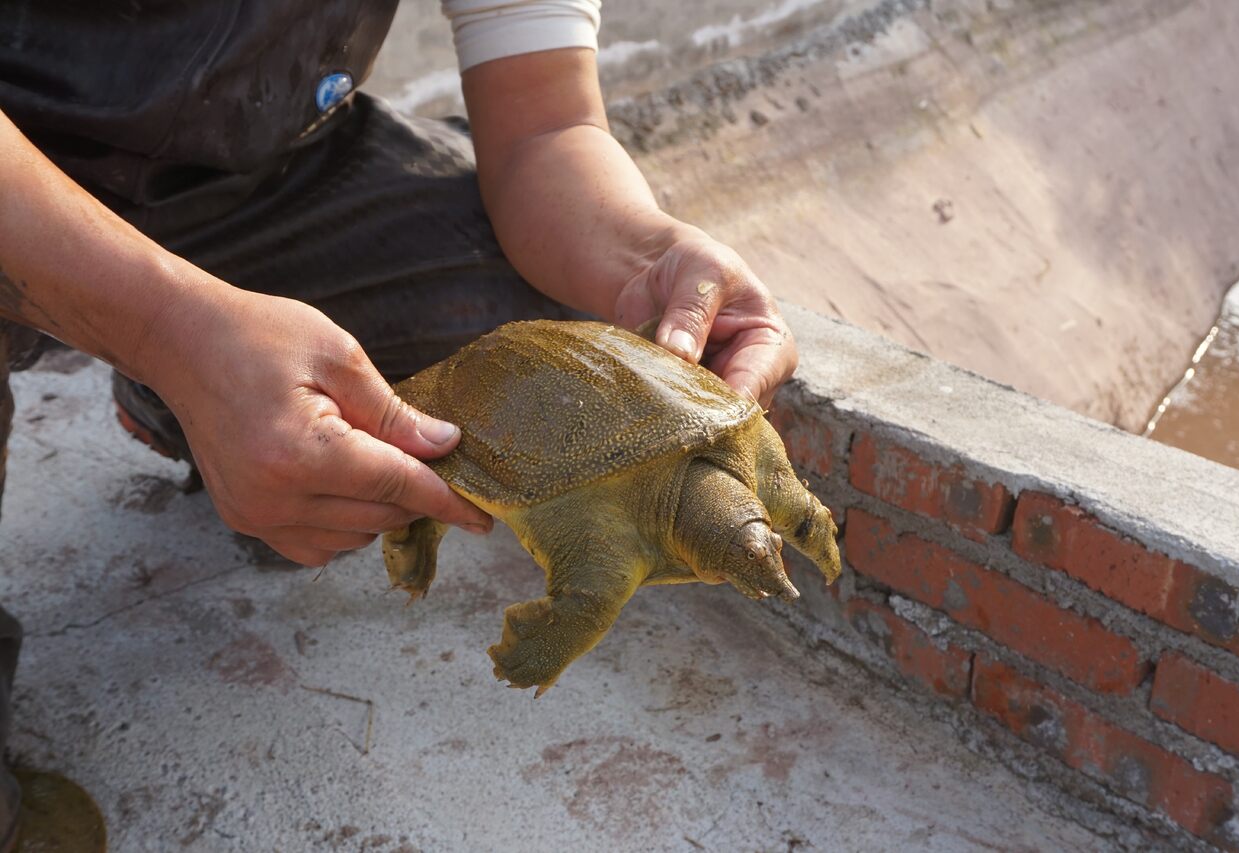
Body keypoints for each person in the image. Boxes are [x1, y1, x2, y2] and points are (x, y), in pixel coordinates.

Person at [0, 1, 797, 846]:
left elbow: (545, 124)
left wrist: (649, 255)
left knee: (549, 333)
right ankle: (200, 380)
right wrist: (169, 331)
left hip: (247, 177)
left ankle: (203, 403)